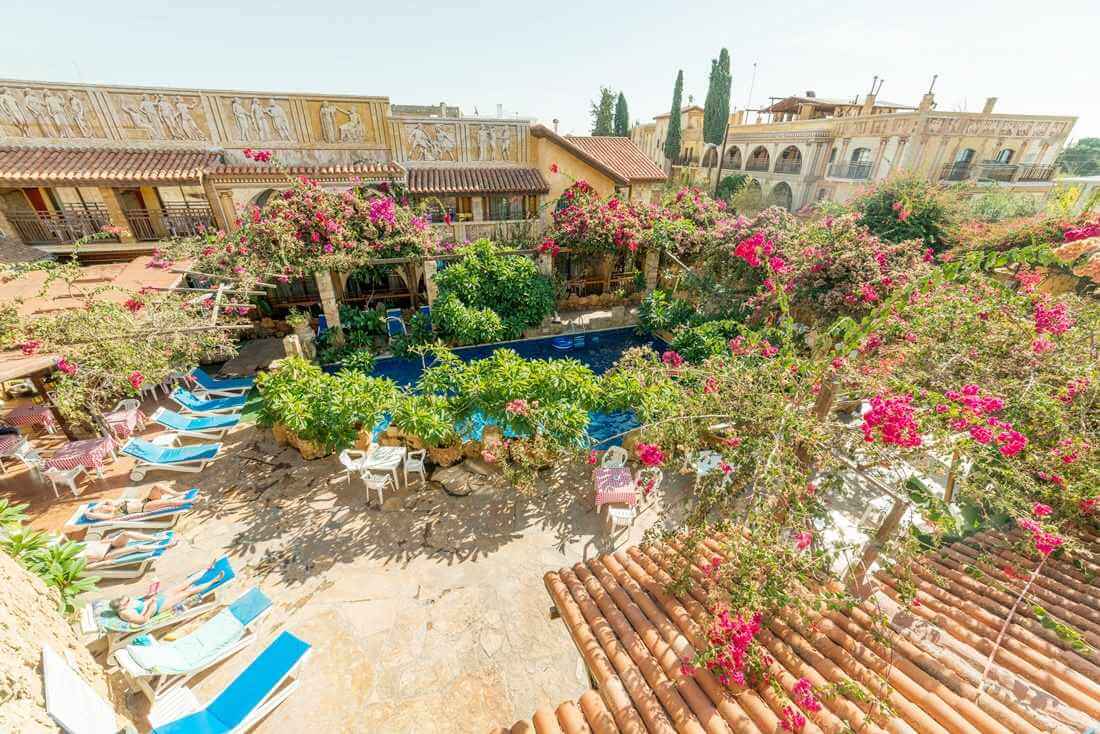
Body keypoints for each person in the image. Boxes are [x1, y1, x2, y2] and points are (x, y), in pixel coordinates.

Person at [107, 563, 225, 625]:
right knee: (188, 592)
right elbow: (144, 620)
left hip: (156, 599)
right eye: (125, 602)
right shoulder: (127, 614)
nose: (128, 601)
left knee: (185, 583)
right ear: (121, 608)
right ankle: (215, 580)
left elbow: (133, 600)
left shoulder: (124, 605)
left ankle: (208, 568)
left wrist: (150, 595)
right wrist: (150, 606)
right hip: (158, 606)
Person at [84, 484, 190, 521]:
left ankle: (178, 494)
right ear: (100, 513)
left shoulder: (114, 504)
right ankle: (187, 501)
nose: (103, 507)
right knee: (167, 503)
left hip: (146, 500)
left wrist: (96, 506)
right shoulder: (112, 515)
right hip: (145, 507)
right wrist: (91, 512)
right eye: (101, 509)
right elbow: (89, 514)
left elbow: (106, 500)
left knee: (157, 486)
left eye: (102, 507)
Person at [81, 530, 174, 562]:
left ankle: (156, 539)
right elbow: (90, 564)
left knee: (126, 533)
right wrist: (105, 563)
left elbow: (99, 542)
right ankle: (164, 546)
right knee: (136, 548)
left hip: (109, 544)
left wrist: (111, 540)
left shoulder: (76, 546)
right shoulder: (74, 559)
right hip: (107, 555)